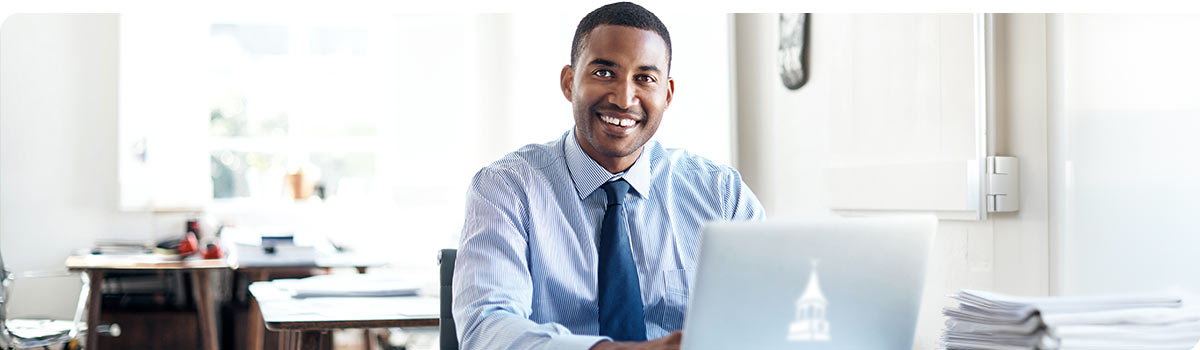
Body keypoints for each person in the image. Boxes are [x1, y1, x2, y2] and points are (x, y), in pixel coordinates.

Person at [453, 2, 765, 350]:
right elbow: (486, 328)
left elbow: (771, 314)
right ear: (569, 82)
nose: (623, 98)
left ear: (667, 94)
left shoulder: (722, 195)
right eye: (604, 73)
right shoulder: (506, 188)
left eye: (644, 78)